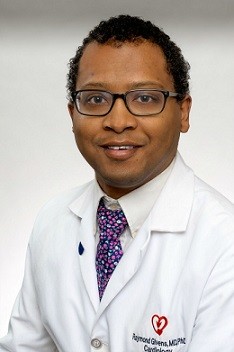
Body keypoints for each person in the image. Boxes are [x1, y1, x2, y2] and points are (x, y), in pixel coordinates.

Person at [0, 14, 234, 352]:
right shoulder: (52, 221)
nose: (118, 121)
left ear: (183, 113)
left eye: (144, 98)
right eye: (96, 99)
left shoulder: (224, 242)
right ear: (72, 115)